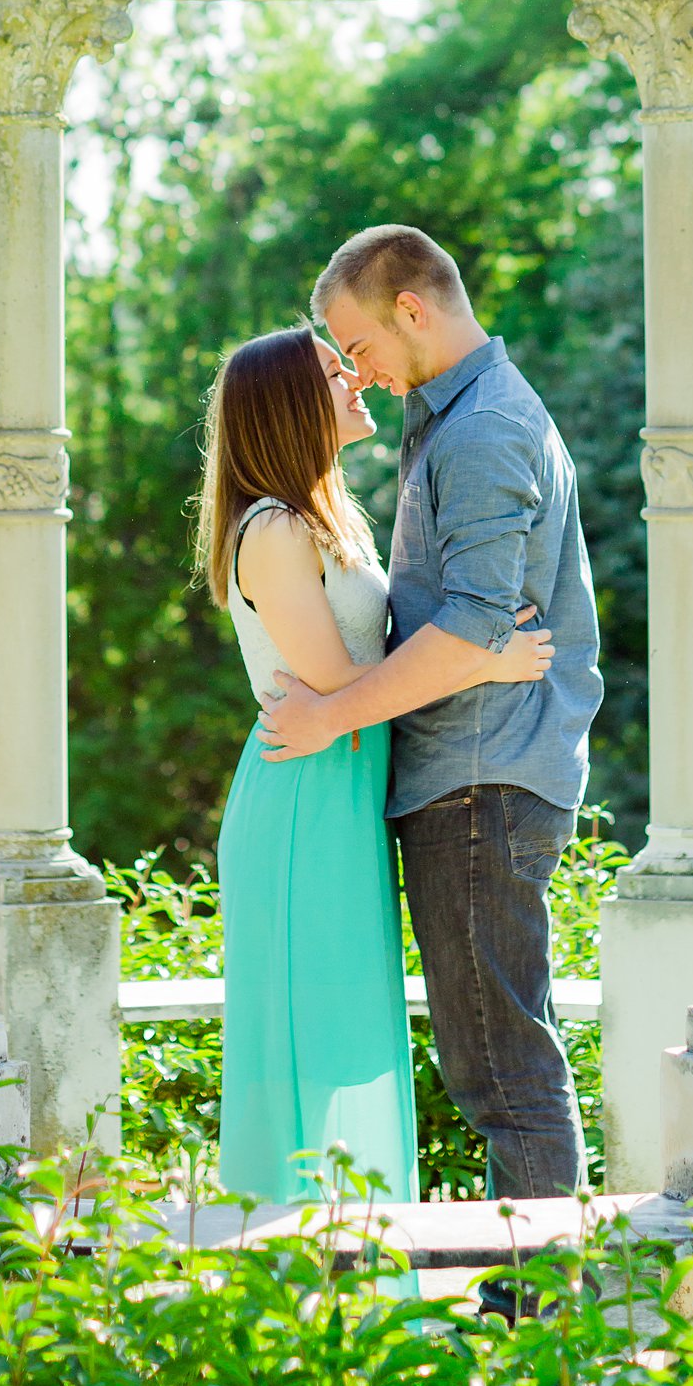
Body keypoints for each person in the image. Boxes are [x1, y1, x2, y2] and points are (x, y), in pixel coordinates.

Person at [260, 228, 603, 1203]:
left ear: (410, 310)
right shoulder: (451, 413)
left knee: (503, 1072)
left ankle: (533, 1319)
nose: (354, 372)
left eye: (356, 343)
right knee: (498, 1060)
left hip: (479, 782)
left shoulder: (484, 427)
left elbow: (467, 629)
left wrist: (329, 713)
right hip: (470, 776)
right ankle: (528, 1297)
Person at [201, 323, 554, 1205]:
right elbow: (334, 686)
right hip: (302, 798)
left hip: (345, 790)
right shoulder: (273, 528)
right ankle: (291, 1270)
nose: (355, 376)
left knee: (349, 1028)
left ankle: (352, 1265)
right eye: (333, 370)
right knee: (311, 1037)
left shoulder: (324, 515)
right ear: (290, 401)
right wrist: (480, 655)